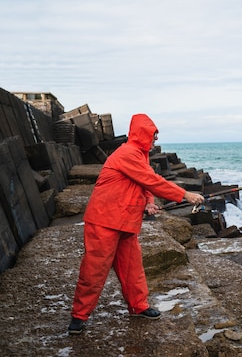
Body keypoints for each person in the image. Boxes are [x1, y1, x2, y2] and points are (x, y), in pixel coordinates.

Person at [68, 113, 204, 335]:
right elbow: (151, 180)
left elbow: (143, 183)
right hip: (104, 219)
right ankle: (79, 316)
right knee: (94, 270)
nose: (155, 140)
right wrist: (185, 195)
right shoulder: (127, 153)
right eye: (153, 135)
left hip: (126, 221)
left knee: (132, 269)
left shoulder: (141, 156)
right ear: (142, 134)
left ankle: (138, 306)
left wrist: (149, 202)